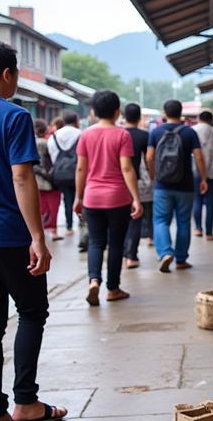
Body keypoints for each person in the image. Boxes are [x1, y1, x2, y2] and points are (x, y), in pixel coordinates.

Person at [0, 41, 66, 421]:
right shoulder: (13, 116)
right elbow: (21, 177)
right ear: (7, 74)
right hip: (8, 233)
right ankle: (25, 402)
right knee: (32, 311)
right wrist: (38, 236)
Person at [74, 90, 142, 305]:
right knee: (115, 244)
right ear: (117, 111)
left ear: (93, 111)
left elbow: (80, 169)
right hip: (117, 198)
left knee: (95, 242)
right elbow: (126, 168)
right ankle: (113, 289)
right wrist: (136, 198)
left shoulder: (86, 134)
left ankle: (94, 281)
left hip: (92, 198)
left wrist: (78, 197)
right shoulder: (122, 135)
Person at [147, 99, 206, 273]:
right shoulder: (189, 132)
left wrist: (153, 175)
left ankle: (165, 252)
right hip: (185, 185)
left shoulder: (156, 132)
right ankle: (181, 259)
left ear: (164, 113)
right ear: (180, 113)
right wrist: (203, 178)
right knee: (183, 222)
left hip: (162, 185)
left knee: (160, 220)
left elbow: (150, 157)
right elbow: (199, 157)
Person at [122, 103, 151, 268]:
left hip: (117, 182)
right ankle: (131, 256)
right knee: (135, 218)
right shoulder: (144, 136)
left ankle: (121, 252)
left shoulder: (118, 133)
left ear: (124, 116)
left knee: (119, 220)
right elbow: (148, 160)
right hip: (137, 182)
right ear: (139, 118)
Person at [48, 109, 81, 234]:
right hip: (77, 172)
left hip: (60, 174)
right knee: (79, 197)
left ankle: (69, 226)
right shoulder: (81, 134)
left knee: (67, 199)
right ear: (76, 121)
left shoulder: (54, 136)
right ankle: (82, 224)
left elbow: (52, 155)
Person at [192, 110, 213, 240]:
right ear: (211, 119)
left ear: (199, 118)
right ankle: (209, 233)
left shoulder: (192, 130)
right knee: (210, 203)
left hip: (195, 171)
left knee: (197, 200)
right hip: (212, 172)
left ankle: (198, 228)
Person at [33, 118, 62, 242]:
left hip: (34, 181)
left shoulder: (29, 142)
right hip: (49, 180)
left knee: (39, 207)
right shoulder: (48, 143)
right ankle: (54, 231)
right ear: (45, 130)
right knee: (53, 206)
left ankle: (39, 231)